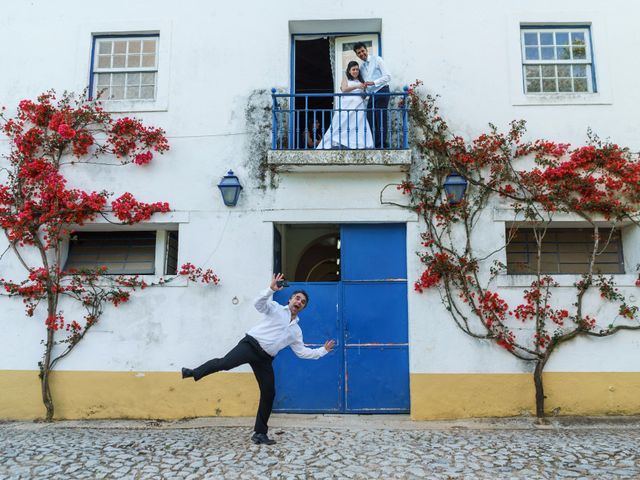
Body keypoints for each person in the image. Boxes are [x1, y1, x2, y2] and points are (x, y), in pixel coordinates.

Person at [181, 273, 336, 445]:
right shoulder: (276, 308)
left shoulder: (296, 331)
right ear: (290, 300)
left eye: (302, 302)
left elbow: (302, 352)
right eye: (297, 298)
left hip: (265, 359)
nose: (299, 302)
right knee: (224, 363)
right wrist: (271, 289)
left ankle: (260, 434)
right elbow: (259, 304)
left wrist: (323, 350)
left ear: (303, 308)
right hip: (250, 345)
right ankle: (194, 372)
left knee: (269, 393)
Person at [316, 61, 374, 149]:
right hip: (347, 106)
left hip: (358, 106)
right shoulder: (346, 79)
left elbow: (363, 96)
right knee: (342, 125)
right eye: (353, 69)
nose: (355, 71)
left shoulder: (361, 81)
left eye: (357, 69)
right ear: (349, 71)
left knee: (358, 125)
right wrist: (357, 86)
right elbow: (344, 89)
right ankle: (341, 143)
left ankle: (357, 144)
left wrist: (364, 90)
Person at [353, 42, 392, 149]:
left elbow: (388, 76)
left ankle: (382, 145)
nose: (361, 54)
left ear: (366, 50)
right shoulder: (361, 68)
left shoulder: (377, 59)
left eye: (362, 51)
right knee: (370, 118)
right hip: (372, 94)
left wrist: (374, 82)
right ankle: (374, 144)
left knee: (380, 118)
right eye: (358, 53)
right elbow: (365, 85)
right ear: (357, 55)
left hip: (382, 90)